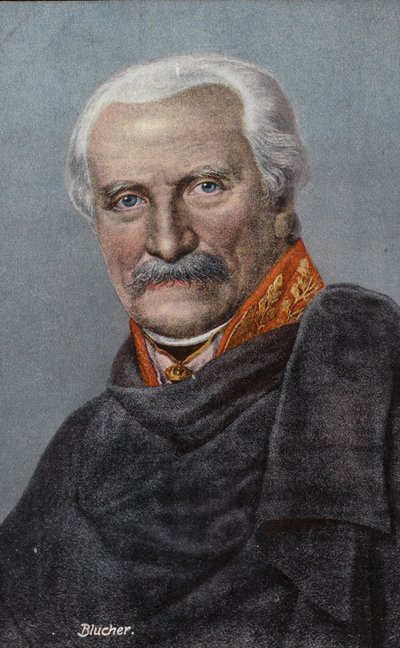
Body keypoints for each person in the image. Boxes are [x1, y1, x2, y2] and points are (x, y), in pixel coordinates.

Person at [1, 54, 399, 648]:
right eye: (127, 200)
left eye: (206, 187)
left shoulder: (375, 390)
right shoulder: (78, 449)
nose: (167, 241)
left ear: (280, 200)